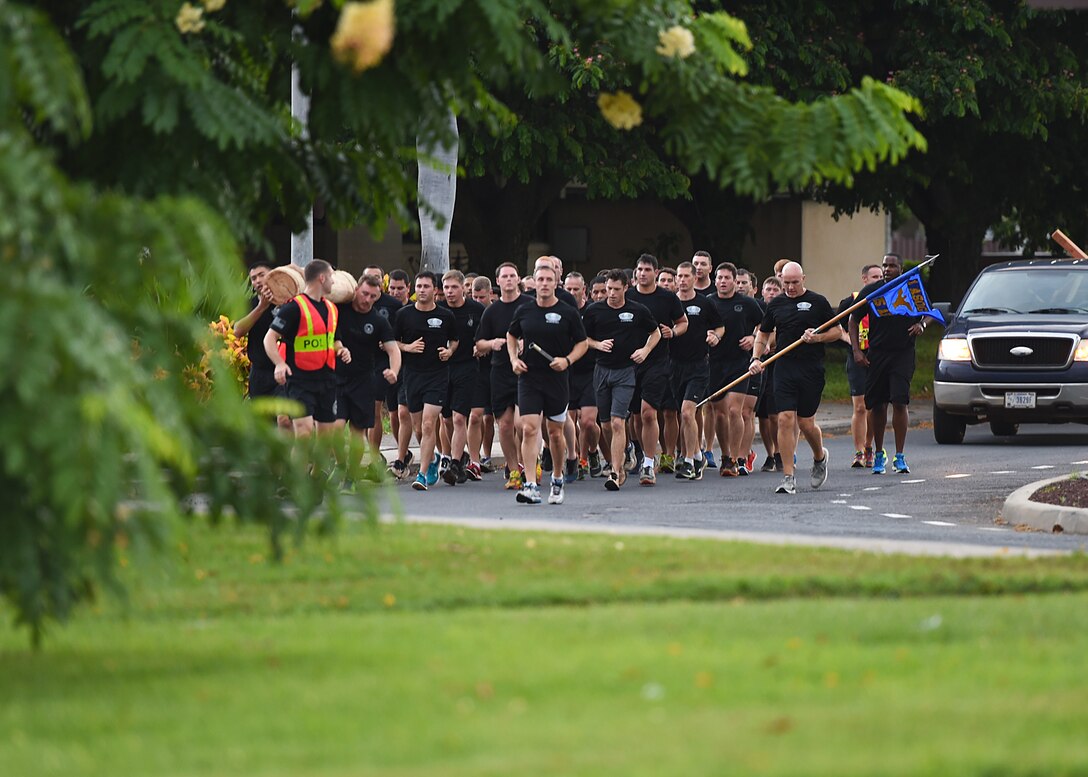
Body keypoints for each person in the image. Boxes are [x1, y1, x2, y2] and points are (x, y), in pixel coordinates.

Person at [749, 262, 839, 495]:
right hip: (784, 367)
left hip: (811, 368)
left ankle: (820, 457)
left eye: (794, 282)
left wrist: (817, 338)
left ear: (803, 279)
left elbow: (837, 332)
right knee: (785, 418)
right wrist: (756, 357)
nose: (789, 287)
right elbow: (763, 333)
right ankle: (788, 477)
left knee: (806, 423)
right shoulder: (776, 304)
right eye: (785, 283)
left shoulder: (818, 302)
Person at [507, 264, 588, 504]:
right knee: (529, 428)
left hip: (557, 378)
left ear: (555, 283)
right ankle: (530, 484)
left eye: (548, 279)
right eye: (539, 279)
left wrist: (567, 360)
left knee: (554, 433)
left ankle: (557, 477)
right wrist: (513, 359)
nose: (543, 283)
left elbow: (582, 343)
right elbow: (511, 335)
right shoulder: (524, 310)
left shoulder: (567, 311)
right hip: (529, 377)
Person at [582, 269, 660, 491]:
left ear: (626, 288)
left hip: (626, 371)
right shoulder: (594, 310)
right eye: (609, 289)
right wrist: (598, 344)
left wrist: (645, 350)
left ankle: (615, 473)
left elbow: (655, 333)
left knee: (618, 422)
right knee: (605, 424)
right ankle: (621, 457)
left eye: (616, 289)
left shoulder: (638, 310)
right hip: (601, 370)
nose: (612, 293)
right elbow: (582, 339)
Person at [850, 254, 927, 475]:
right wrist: (856, 350)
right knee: (877, 404)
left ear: (900, 269)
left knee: (900, 401)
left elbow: (930, 313)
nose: (887, 269)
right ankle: (879, 453)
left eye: (891, 265)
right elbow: (853, 319)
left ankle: (900, 455)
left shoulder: (911, 288)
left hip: (903, 353)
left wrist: (921, 324)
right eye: (884, 265)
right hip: (877, 353)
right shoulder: (873, 291)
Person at [263, 259, 351, 438]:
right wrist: (279, 364)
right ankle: (297, 467)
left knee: (325, 439)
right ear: (321, 278)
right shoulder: (293, 308)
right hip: (299, 379)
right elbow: (269, 338)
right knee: (304, 433)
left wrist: (341, 349)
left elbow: (334, 339)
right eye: (331, 277)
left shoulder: (332, 308)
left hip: (326, 379)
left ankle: (317, 468)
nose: (334, 282)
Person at [393, 272, 458, 490]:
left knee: (430, 423)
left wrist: (449, 351)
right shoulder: (403, 315)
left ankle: (421, 475)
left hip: (437, 375)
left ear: (434, 290)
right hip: (412, 375)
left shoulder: (446, 315)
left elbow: (455, 340)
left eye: (426, 286)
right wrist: (407, 347)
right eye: (419, 286)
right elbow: (392, 342)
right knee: (419, 428)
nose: (421, 290)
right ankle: (432, 460)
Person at [627, 254, 687, 485]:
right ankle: (639, 451)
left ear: (656, 272)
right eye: (639, 269)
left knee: (649, 412)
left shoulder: (667, 298)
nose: (643, 273)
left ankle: (650, 463)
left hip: (658, 361)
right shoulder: (628, 296)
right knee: (634, 415)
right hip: (629, 362)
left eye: (647, 270)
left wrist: (674, 331)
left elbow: (683, 323)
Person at [332, 274, 400, 469]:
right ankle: (341, 465)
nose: (367, 300)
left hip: (363, 382)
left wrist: (393, 370)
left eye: (373, 296)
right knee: (335, 429)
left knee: (357, 433)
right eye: (364, 294)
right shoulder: (339, 310)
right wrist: (340, 350)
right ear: (356, 290)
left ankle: (352, 476)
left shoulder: (378, 321)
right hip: (337, 379)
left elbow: (393, 349)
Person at [475, 262, 532, 489]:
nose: (508, 280)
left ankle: (530, 465)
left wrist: (524, 343)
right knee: (506, 426)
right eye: (504, 276)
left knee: (523, 424)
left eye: (512, 276)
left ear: (518, 279)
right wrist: (494, 342)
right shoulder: (491, 311)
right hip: (499, 371)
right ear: (497, 282)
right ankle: (514, 470)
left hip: (526, 371)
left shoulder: (529, 305)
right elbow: (479, 342)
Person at [707, 262, 764, 477]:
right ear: (716, 280)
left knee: (734, 410)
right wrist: (709, 335)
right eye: (719, 278)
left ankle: (736, 458)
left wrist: (753, 338)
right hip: (715, 364)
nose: (723, 281)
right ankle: (725, 455)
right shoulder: (708, 302)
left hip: (739, 363)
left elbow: (766, 327)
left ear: (734, 281)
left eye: (727, 278)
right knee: (720, 414)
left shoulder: (747, 304)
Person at [670, 262, 724, 480]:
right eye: (679, 276)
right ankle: (697, 454)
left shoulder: (704, 303)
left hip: (698, 365)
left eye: (685, 276)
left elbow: (720, 326)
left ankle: (689, 461)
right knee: (681, 415)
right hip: (674, 365)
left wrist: (715, 336)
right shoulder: (670, 303)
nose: (682, 280)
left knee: (687, 411)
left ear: (694, 278)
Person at [438, 270, 486, 485]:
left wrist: (481, 347)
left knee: (460, 417)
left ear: (463, 288)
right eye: (446, 288)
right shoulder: (439, 311)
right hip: (442, 369)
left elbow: (485, 335)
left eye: (454, 287)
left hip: (467, 366)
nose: (449, 292)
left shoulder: (476, 310)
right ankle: (456, 455)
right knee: (445, 418)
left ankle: (455, 463)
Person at [839, 264, 884, 468]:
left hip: (877, 357)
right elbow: (838, 328)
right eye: (874, 276)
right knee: (859, 406)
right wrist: (852, 344)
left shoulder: (885, 299)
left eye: (881, 276)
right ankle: (858, 451)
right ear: (864, 279)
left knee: (873, 405)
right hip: (856, 357)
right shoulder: (850, 301)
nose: (878, 279)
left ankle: (869, 447)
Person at [564, 272, 602, 479]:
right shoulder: (559, 311)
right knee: (569, 421)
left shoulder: (593, 311)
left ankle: (593, 452)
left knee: (587, 422)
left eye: (575, 289)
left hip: (590, 372)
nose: (571, 293)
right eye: (568, 289)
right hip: (566, 372)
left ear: (584, 290)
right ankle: (577, 459)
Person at [466, 275, 495, 479]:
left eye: (481, 297)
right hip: (476, 371)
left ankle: (493, 456)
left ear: (490, 294)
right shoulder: (470, 311)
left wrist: (488, 347)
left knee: (502, 419)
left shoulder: (496, 312)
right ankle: (475, 461)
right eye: (474, 296)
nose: (477, 301)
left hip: (498, 370)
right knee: (475, 415)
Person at [755, 276, 784, 472]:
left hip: (778, 365)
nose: (772, 293)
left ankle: (780, 452)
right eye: (769, 290)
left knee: (775, 415)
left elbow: (773, 333)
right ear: (762, 292)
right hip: (759, 365)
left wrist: (770, 344)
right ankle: (770, 454)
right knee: (763, 416)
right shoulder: (757, 309)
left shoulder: (783, 309)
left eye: (775, 290)